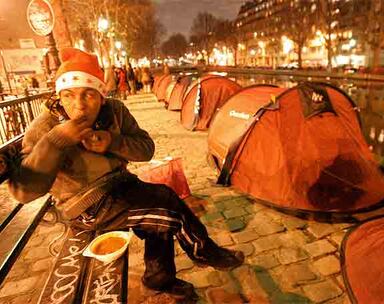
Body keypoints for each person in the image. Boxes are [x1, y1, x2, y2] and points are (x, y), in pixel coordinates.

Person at [8, 48, 243, 301]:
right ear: (59, 96)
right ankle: (204, 251)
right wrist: (56, 141)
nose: (78, 105)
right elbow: (24, 192)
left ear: (101, 96)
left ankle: (159, 280)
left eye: (88, 94)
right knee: (166, 208)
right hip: (85, 208)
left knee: (159, 211)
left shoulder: (115, 111)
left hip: (120, 186)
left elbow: (146, 149)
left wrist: (112, 141)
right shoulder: (45, 126)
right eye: (68, 95)